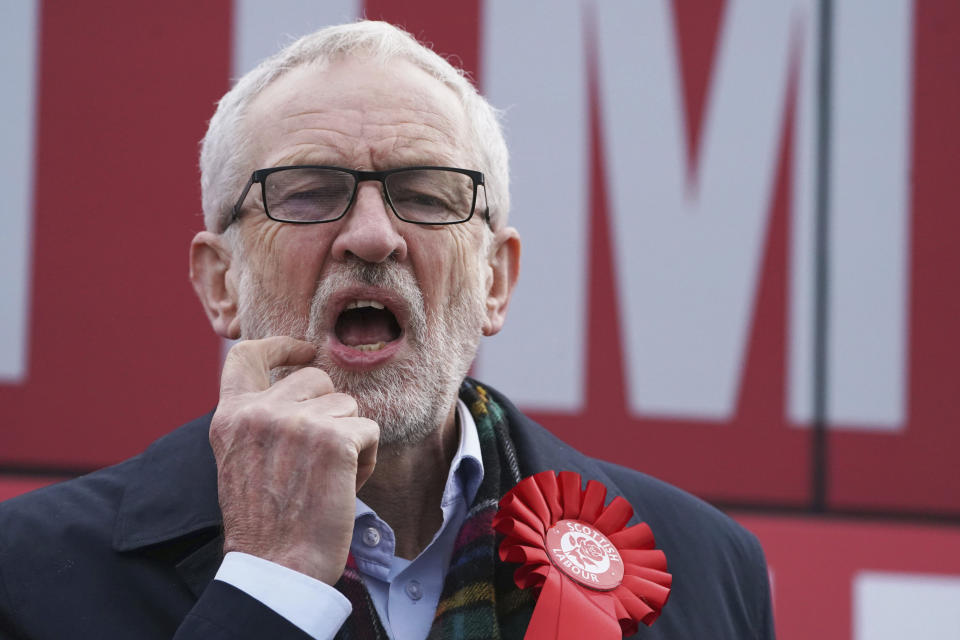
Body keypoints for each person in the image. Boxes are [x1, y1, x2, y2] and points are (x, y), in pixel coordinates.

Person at [0, 20, 774, 640]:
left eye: (428, 194)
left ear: (496, 281)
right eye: (307, 193)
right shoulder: (26, 572)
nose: (372, 235)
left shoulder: (704, 566)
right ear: (220, 284)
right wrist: (272, 582)